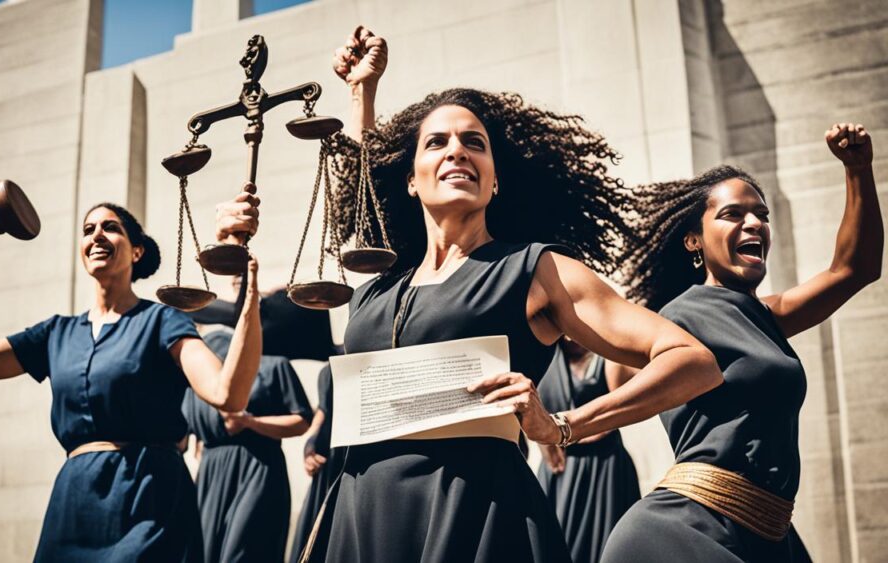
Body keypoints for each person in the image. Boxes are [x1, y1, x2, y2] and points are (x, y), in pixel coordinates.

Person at [219, 26, 725, 562]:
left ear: (495, 181)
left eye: (474, 143)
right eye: (436, 142)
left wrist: (559, 426)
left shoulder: (534, 269)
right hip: (359, 515)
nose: (456, 151)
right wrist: (360, 93)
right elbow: (368, 188)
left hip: (477, 517)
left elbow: (692, 361)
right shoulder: (376, 288)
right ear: (409, 179)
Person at [0, 202, 262, 562]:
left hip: (149, 498)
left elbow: (227, 394)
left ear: (137, 251)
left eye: (110, 227)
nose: (97, 235)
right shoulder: (56, 332)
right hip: (74, 502)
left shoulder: (163, 320)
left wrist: (250, 299)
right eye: (88, 230)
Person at [601, 124, 882, 561]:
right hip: (683, 533)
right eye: (733, 214)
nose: (754, 223)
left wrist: (858, 169)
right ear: (693, 240)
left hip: (770, 534)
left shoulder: (766, 317)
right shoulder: (675, 320)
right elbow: (621, 380)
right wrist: (567, 427)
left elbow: (855, 269)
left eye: (762, 215)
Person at [183, 327, 313, 563]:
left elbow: (302, 421)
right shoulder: (196, 380)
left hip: (257, 467)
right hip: (211, 473)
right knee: (206, 550)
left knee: (244, 547)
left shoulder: (273, 366)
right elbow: (188, 438)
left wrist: (250, 422)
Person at [536, 339, 640, 563]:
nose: (570, 339)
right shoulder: (545, 362)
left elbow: (619, 412)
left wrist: (568, 433)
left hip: (603, 463)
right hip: (561, 467)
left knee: (606, 537)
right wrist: (544, 444)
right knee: (557, 535)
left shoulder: (608, 360)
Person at [288, 364, 347, 563]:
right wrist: (310, 443)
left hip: (354, 458)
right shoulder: (330, 368)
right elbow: (323, 411)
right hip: (330, 459)